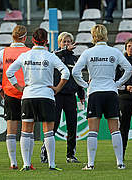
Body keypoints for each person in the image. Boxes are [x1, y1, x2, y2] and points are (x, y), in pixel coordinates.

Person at [6, 28, 70, 171]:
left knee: (26, 131)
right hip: (46, 95)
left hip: (28, 95)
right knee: (48, 131)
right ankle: (52, 164)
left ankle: (26, 164)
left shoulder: (25, 55)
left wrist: (19, 87)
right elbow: (66, 72)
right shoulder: (50, 56)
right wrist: (57, 88)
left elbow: (9, 72)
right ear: (46, 41)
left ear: (32, 40)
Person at [72, 24, 132, 170]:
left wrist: (85, 85)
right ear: (106, 35)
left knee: (93, 130)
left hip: (95, 93)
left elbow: (75, 72)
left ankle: (91, 164)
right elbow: (128, 69)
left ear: (93, 36)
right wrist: (117, 83)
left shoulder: (88, 52)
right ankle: (120, 163)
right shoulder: (114, 52)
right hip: (111, 92)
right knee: (115, 129)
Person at [0, 25, 32, 170]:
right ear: (24, 37)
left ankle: (13, 161)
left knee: (11, 130)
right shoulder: (29, 52)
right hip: (27, 93)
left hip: (10, 93)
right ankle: (28, 162)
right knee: (27, 131)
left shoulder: (4, 52)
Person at [40, 32, 85, 164]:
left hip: (71, 96)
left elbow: (78, 77)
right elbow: (56, 55)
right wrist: (65, 50)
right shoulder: (54, 55)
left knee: (72, 126)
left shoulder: (75, 59)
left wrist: (81, 94)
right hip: (57, 95)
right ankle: (45, 152)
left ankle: (70, 155)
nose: (66, 44)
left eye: (69, 41)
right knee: (53, 125)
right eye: (64, 41)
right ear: (59, 43)